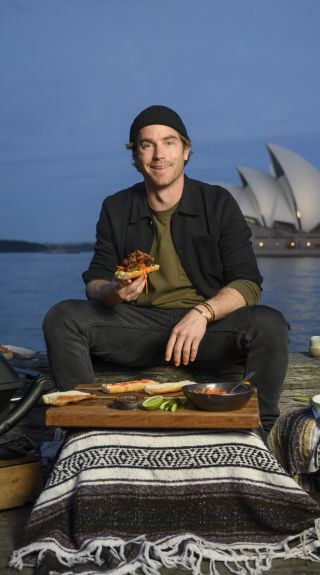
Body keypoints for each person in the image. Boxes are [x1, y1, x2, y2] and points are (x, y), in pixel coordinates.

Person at [43, 105, 288, 432]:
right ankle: (85, 432)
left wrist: (203, 312)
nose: (159, 154)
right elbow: (95, 281)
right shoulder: (115, 207)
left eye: (169, 142)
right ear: (136, 155)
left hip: (205, 332)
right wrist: (113, 292)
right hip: (138, 327)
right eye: (147, 144)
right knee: (62, 317)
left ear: (186, 150)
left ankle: (259, 432)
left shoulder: (218, 202)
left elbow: (248, 282)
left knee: (270, 324)